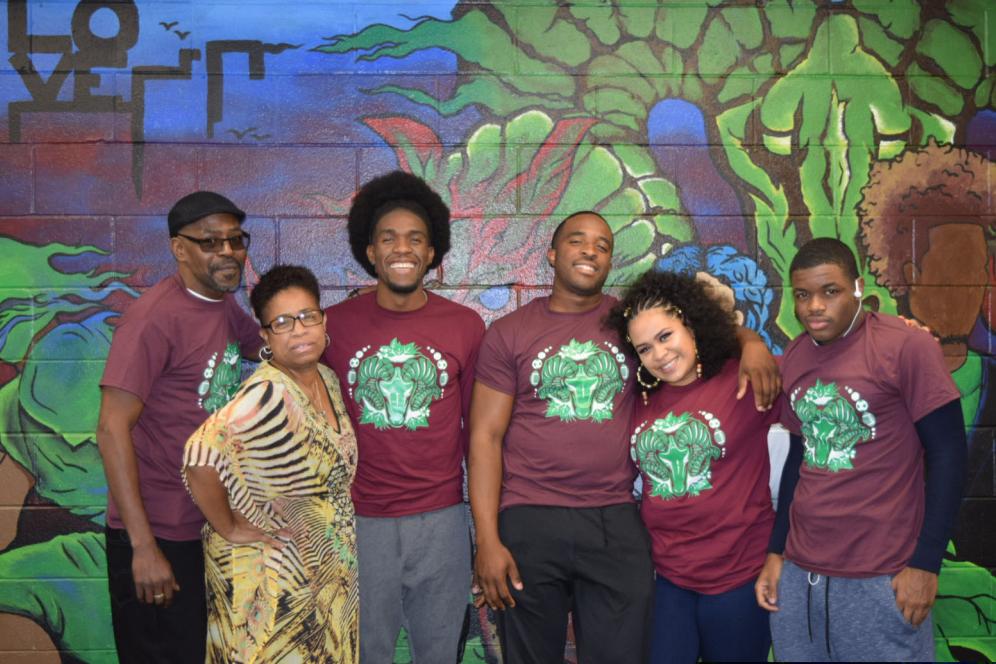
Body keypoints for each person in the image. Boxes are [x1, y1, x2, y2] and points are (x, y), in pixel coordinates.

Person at [469, 211, 780, 663]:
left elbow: (689, 331)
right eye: (578, 241)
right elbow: (484, 437)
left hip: (614, 518)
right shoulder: (509, 333)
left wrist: (750, 340)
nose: (590, 250)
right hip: (531, 516)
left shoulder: (629, 324)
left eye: (603, 244)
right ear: (553, 255)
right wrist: (487, 538)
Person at [755, 237, 967, 661]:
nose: (815, 306)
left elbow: (949, 455)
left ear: (856, 287)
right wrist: (777, 552)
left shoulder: (906, 346)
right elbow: (797, 460)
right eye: (802, 295)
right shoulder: (796, 356)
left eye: (829, 291)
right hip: (801, 574)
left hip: (882, 576)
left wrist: (926, 564)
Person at [322, 171, 485, 663]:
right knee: (364, 652)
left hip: (442, 520)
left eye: (416, 238)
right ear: (369, 252)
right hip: (360, 520)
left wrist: (483, 525)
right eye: (388, 238)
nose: (402, 248)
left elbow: (481, 433)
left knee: (438, 653)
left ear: (432, 253)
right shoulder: (333, 326)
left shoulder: (465, 325)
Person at [96, 191, 262, 662]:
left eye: (235, 240)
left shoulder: (222, 307)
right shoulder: (152, 319)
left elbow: (268, 349)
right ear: (179, 249)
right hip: (160, 534)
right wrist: (143, 548)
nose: (227, 252)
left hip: (206, 528)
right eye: (211, 242)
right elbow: (110, 430)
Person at [183, 265, 359, 663]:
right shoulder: (267, 393)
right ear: (265, 335)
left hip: (322, 578)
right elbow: (198, 457)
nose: (299, 330)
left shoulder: (326, 380)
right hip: (276, 585)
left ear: (323, 320)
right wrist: (228, 525)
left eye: (307, 316)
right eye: (282, 322)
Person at [604, 268, 779, 663]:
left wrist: (750, 342)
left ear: (692, 325)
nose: (660, 355)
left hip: (740, 576)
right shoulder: (640, 398)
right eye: (645, 348)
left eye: (666, 336)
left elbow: (827, 374)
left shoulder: (745, 378)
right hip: (670, 580)